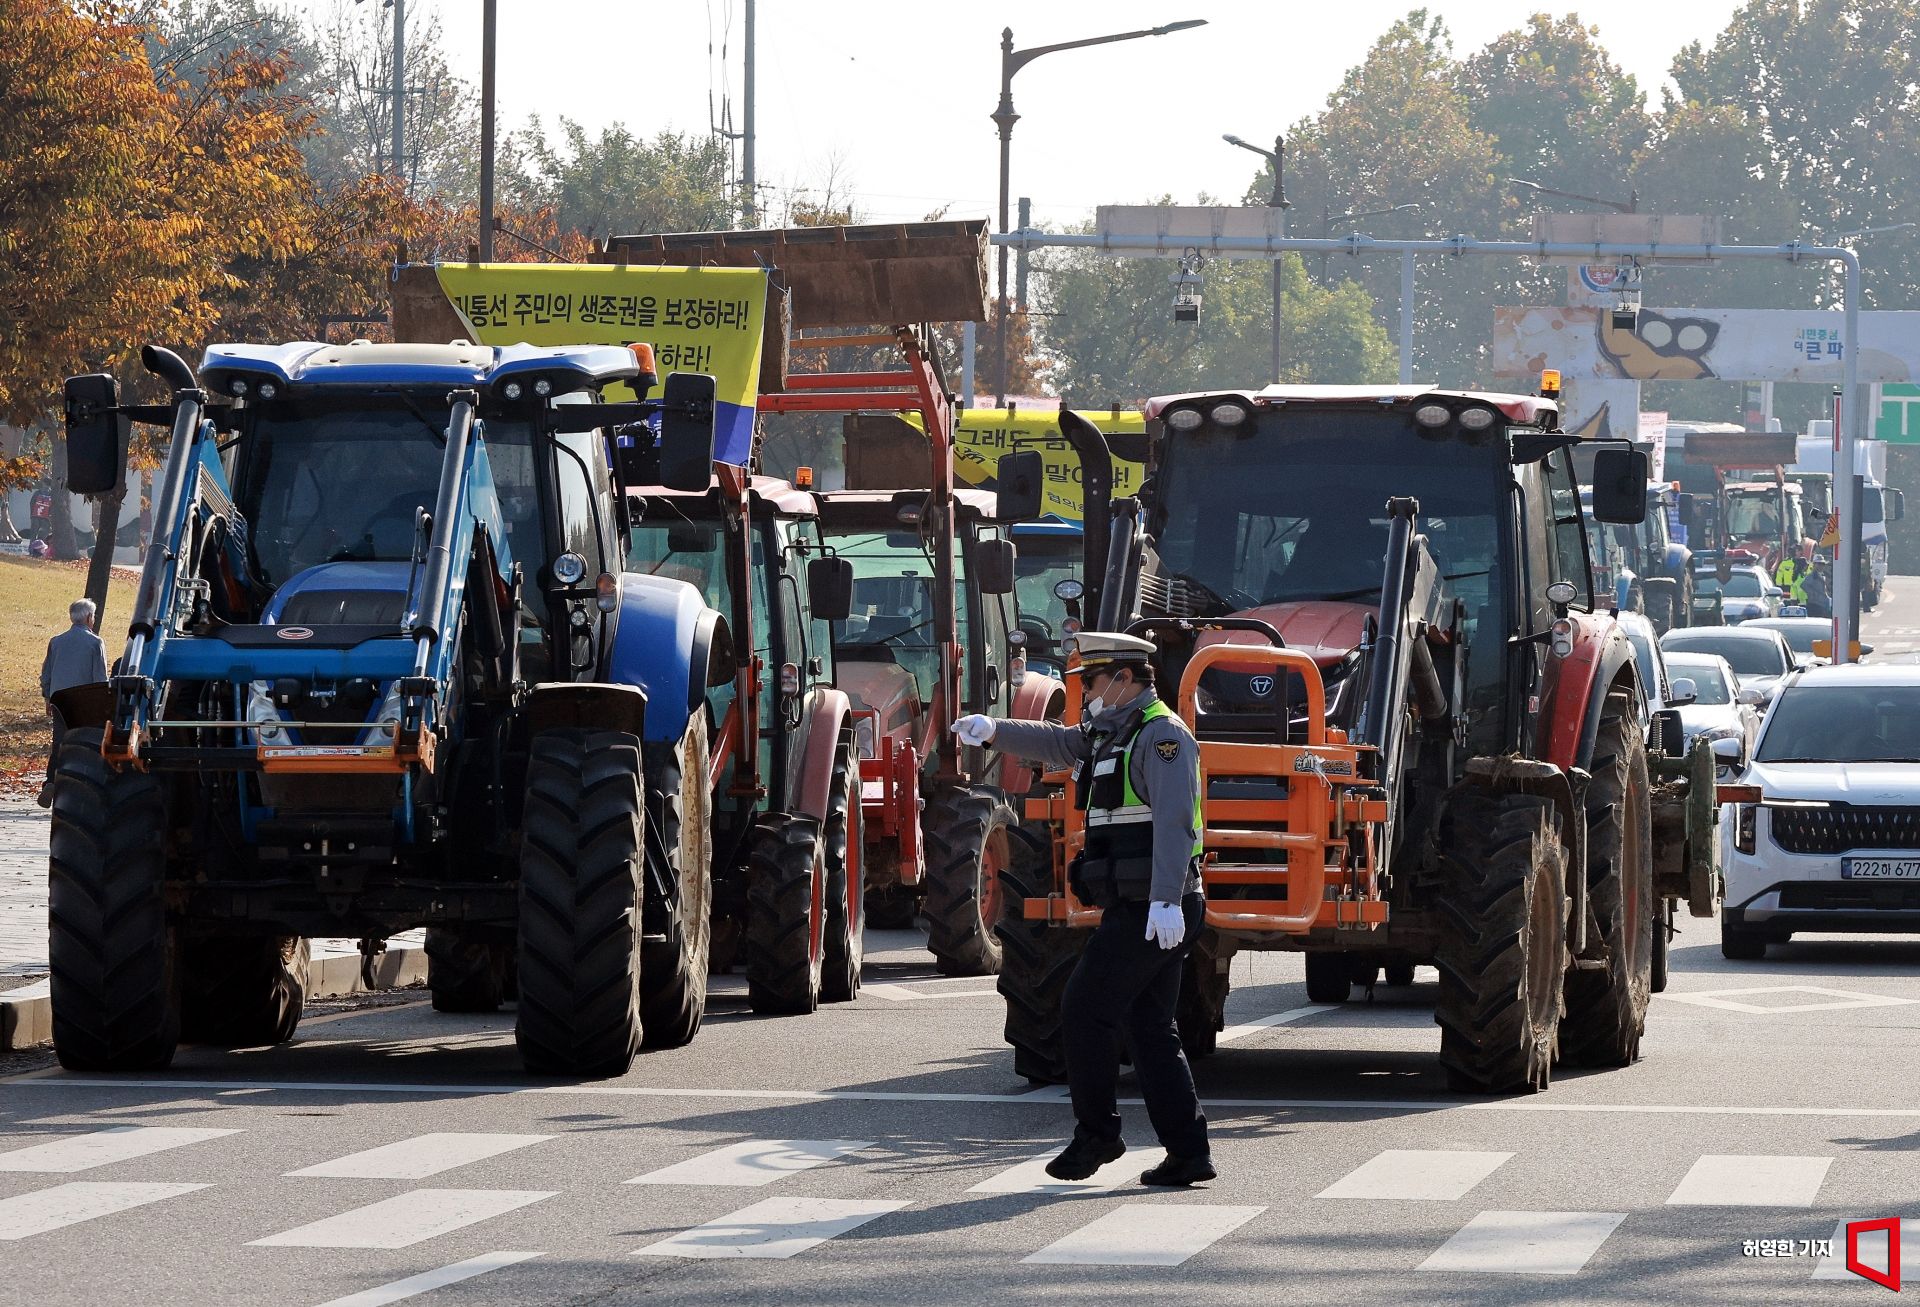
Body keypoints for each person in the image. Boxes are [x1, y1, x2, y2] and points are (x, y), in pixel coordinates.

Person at [952, 632, 1213, 1187]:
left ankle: (1099, 1134)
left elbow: (1174, 825)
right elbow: (1058, 742)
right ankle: (1189, 1152)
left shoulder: (1162, 736)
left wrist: (1167, 899)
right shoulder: (1110, 732)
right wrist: (995, 729)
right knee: (1150, 1028)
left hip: (1155, 906)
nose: (1087, 694)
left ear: (1125, 678)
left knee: (1084, 1010)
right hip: (1140, 905)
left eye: (1092, 682)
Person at [39, 598, 108, 808]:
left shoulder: (56, 641)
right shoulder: (96, 643)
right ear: (89, 618)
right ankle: (81, 789)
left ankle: (51, 782)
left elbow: (46, 675)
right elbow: (100, 678)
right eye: (93, 616)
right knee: (85, 745)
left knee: (59, 743)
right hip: (85, 702)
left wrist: (48, 699)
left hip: (60, 701)